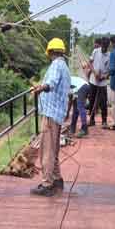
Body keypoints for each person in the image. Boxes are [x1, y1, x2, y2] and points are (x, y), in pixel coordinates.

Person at [31, 38, 71, 196]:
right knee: (53, 149)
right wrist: (41, 87)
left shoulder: (56, 65)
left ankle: (47, 183)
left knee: (46, 150)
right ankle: (57, 180)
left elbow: (52, 83)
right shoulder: (64, 66)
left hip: (50, 114)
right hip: (57, 113)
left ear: (50, 52)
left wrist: (42, 88)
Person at [87, 37, 110, 128]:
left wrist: (104, 76)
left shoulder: (109, 55)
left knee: (103, 102)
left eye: (106, 47)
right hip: (93, 80)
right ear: (101, 45)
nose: (104, 48)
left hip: (103, 82)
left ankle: (104, 121)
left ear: (108, 46)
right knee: (91, 100)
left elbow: (110, 71)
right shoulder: (95, 51)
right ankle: (92, 119)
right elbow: (90, 63)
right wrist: (94, 72)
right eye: (103, 46)